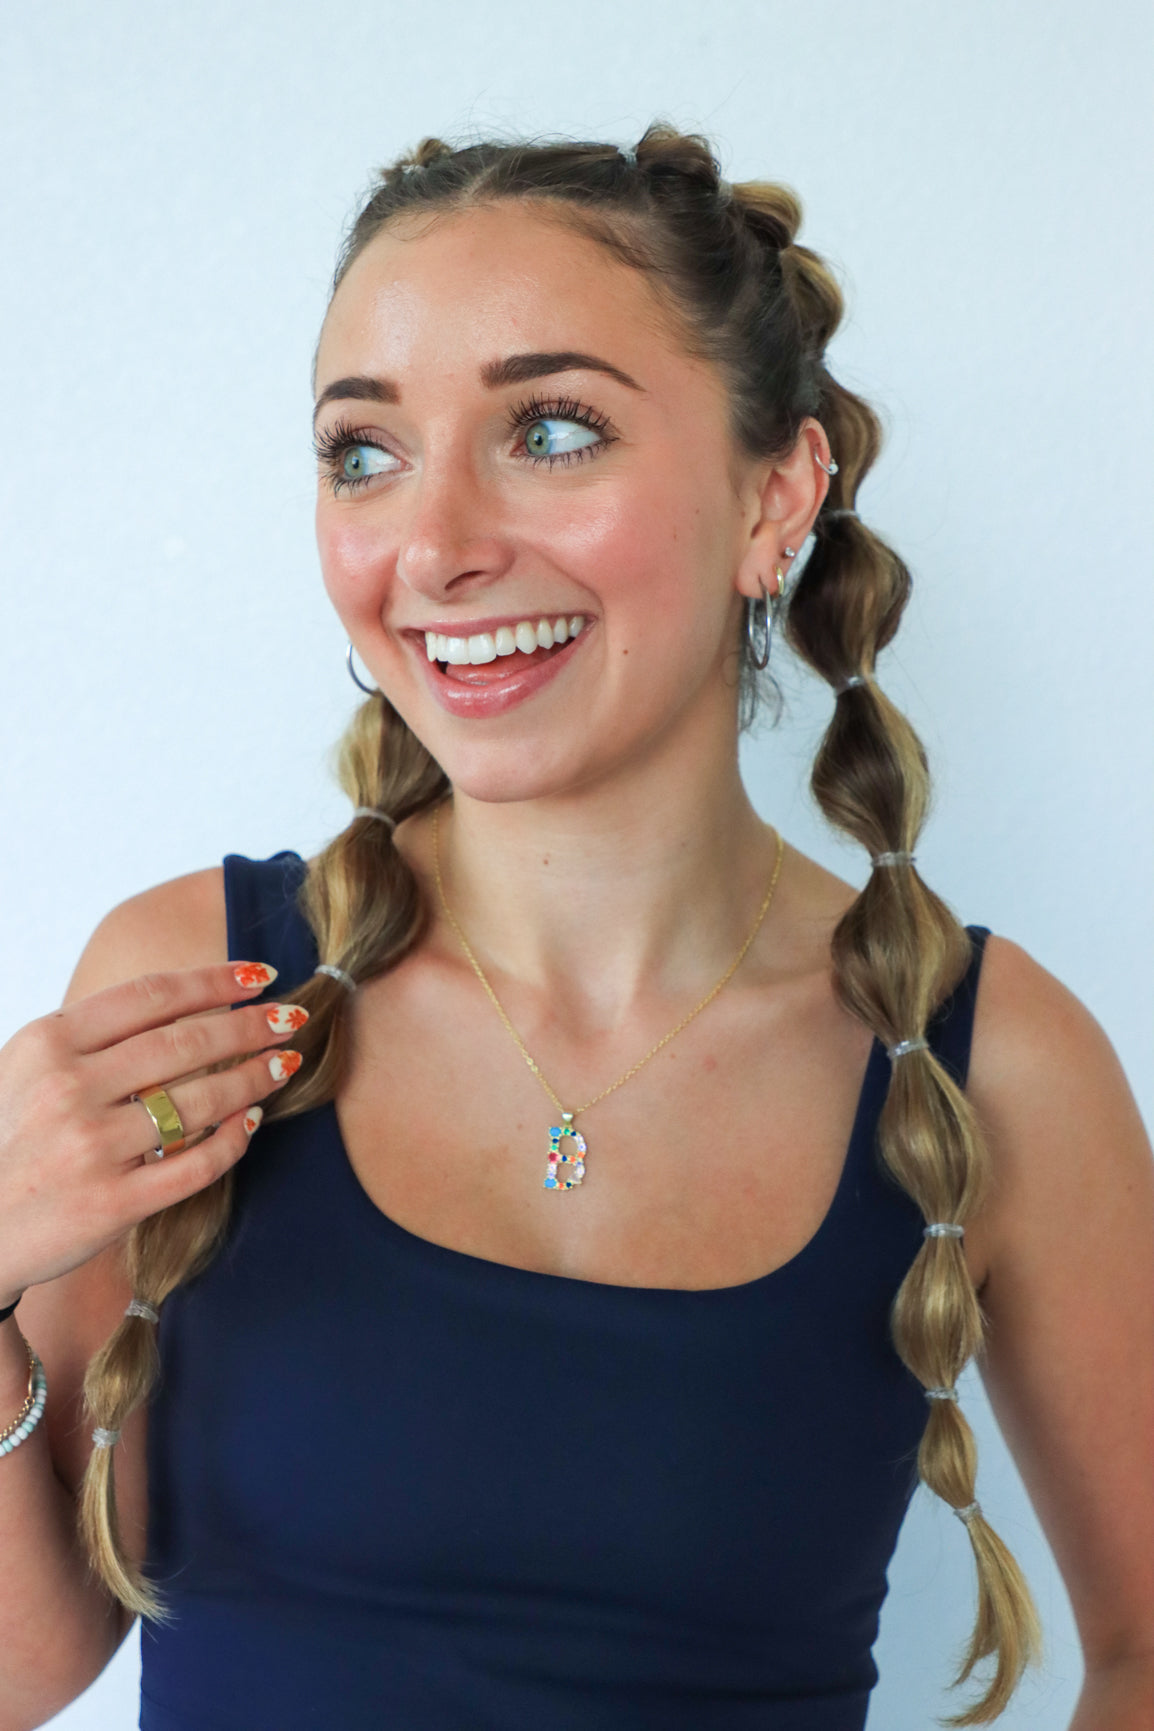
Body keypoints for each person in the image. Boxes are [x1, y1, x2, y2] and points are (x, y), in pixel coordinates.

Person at [0, 124, 1150, 1731]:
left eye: (549, 429)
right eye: (363, 452)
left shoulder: (985, 1063)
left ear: (775, 496)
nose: (434, 547)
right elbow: (22, 1669)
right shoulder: (196, 987)